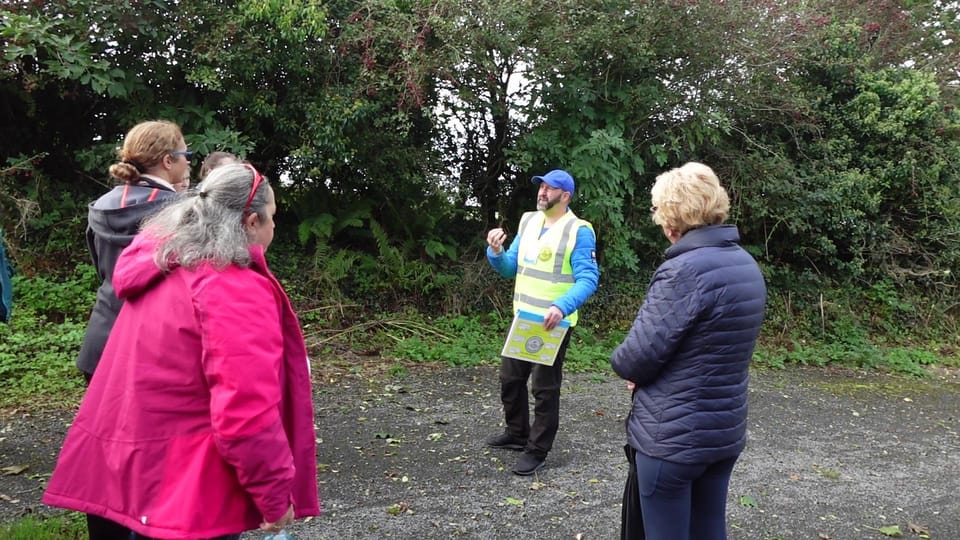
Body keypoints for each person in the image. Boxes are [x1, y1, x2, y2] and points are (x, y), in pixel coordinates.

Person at [43, 164, 320, 539]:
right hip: (193, 488)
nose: (274, 227)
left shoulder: (164, 267)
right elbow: (245, 412)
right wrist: (274, 494)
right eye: (272, 218)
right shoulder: (231, 289)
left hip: (145, 473)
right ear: (251, 222)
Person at [610, 162, 766, 540]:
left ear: (670, 218)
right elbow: (709, 347)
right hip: (723, 434)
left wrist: (634, 370)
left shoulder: (684, 271)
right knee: (709, 529)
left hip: (672, 441)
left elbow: (634, 357)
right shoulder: (745, 265)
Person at [484, 169, 600, 475]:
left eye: (550, 189)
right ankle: (517, 434)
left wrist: (561, 307)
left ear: (566, 196)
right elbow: (510, 267)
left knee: (545, 389)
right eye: (541, 187)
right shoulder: (528, 220)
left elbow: (589, 279)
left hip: (554, 324)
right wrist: (495, 252)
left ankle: (537, 449)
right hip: (523, 319)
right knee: (510, 379)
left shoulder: (579, 230)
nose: (542, 192)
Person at [75, 120, 191, 383]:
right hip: (152, 348)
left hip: (101, 341)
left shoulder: (102, 205)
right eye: (186, 155)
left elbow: (103, 271)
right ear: (168, 161)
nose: (189, 163)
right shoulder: (182, 210)